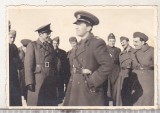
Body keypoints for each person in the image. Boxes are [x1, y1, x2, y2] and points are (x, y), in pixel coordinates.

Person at [63, 11, 113, 106]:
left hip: (88, 89)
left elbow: (108, 65)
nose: (76, 27)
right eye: (76, 24)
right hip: (75, 87)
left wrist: (93, 80)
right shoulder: (79, 44)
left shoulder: (96, 43)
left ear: (89, 27)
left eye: (80, 24)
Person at [24, 23, 57, 106]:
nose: (49, 35)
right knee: (37, 103)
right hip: (37, 81)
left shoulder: (50, 46)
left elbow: (54, 64)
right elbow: (28, 65)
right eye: (47, 33)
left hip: (49, 80)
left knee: (48, 104)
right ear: (40, 34)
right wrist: (29, 82)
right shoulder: (32, 45)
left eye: (49, 33)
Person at [116, 36, 142, 106]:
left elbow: (138, 63)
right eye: (121, 43)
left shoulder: (134, 51)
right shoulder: (121, 54)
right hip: (123, 75)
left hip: (132, 74)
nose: (122, 44)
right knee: (122, 94)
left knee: (131, 93)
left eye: (123, 42)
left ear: (128, 42)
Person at [132, 32, 154, 106]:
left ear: (143, 42)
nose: (134, 43)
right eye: (133, 41)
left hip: (148, 83)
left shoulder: (152, 51)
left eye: (136, 42)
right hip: (137, 83)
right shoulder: (134, 52)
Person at [52, 36, 70, 103]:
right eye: (54, 43)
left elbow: (65, 65)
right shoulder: (49, 52)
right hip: (52, 74)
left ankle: (60, 100)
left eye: (56, 43)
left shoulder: (63, 52)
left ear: (58, 44)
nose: (55, 45)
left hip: (60, 75)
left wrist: (65, 76)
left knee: (60, 89)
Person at [105, 33, 121, 105]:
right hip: (106, 72)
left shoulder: (118, 50)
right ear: (107, 41)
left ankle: (115, 106)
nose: (112, 42)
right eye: (110, 40)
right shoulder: (104, 49)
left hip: (115, 73)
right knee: (106, 90)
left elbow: (119, 61)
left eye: (113, 41)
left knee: (115, 91)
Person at [9, 30, 22, 106]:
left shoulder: (14, 47)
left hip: (13, 76)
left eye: (14, 38)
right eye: (11, 37)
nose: (12, 39)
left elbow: (18, 62)